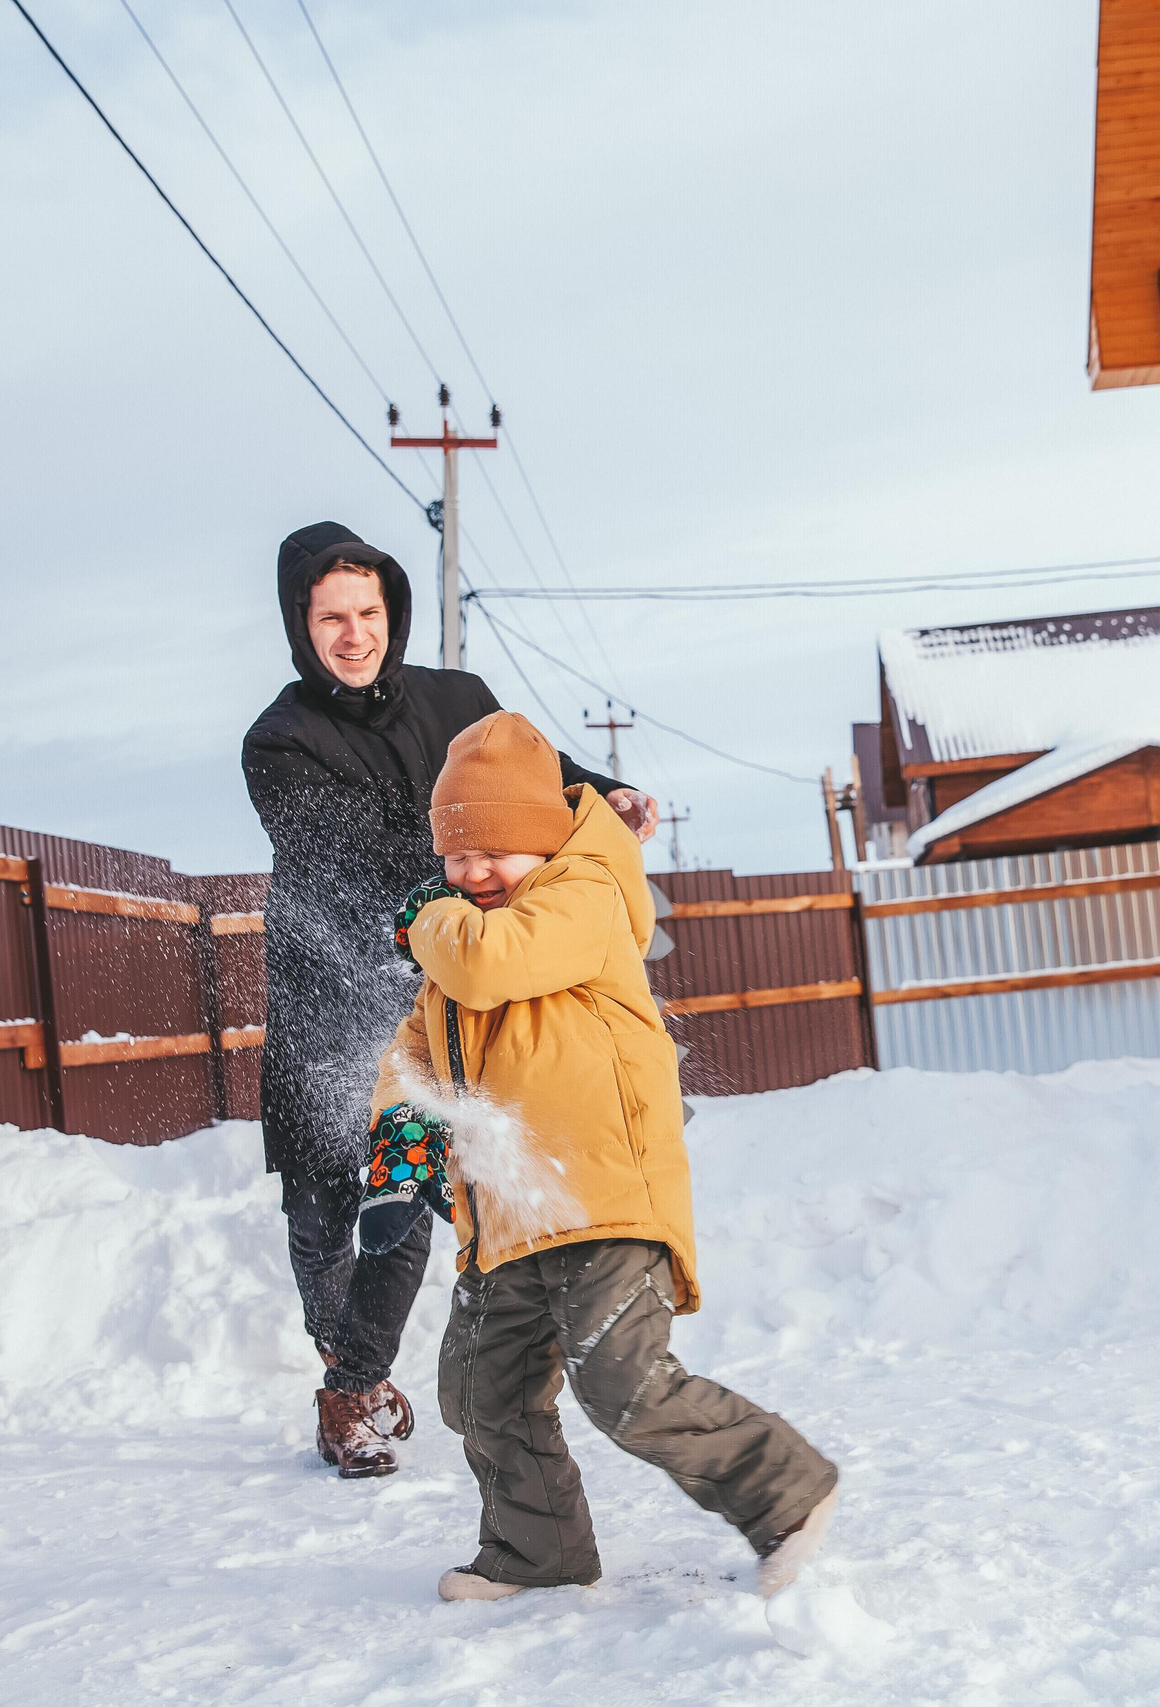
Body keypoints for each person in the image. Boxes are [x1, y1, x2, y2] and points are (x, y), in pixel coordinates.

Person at [367, 712, 838, 1601]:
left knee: (624, 1383)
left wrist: (431, 919)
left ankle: (787, 1490)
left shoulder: (583, 896)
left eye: (493, 853)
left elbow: (490, 962)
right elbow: (414, 1054)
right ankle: (536, 1550)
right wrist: (400, 1137)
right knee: (477, 1391)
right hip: (509, 1215)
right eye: (455, 858)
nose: (470, 874)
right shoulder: (460, 938)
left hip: (599, 1195)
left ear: (541, 841)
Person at [243, 521, 654, 1478]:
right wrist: (473, 887)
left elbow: (529, 786)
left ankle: (352, 1387)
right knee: (318, 1210)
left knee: (404, 1187)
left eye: (369, 612)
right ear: (301, 627)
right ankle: (335, 1339)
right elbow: (354, 858)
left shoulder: (458, 701)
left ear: (393, 612)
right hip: (326, 1000)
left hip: (432, 992)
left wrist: (605, 794)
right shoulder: (279, 741)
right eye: (332, 617)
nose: (355, 634)